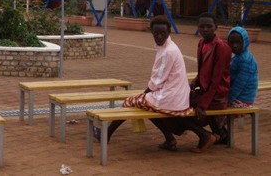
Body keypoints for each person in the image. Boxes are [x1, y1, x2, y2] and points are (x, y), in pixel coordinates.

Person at [94, 16, 214, 152]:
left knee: (130, 102)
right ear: (151, 32)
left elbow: (156, 82)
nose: (159, 36)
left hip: (171, 97)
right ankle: (172, 139)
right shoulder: (169, 46)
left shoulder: (167, 52)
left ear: (169, 32)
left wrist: (143, 95)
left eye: (162, 33)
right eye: (156, 33)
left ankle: (106, 134)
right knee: (146, 106)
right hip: (177, 95)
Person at [190, 12, 232, 145]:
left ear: (216, 27)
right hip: (206, 90)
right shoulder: (201, 43)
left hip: (217, 94)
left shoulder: (221, 47)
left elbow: (216, 80)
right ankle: (220, 133)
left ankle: (207, 135)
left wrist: (202, 105)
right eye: (202, 26)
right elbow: (203, 70)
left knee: (184, 107)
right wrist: (195, 82)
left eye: (209, 26)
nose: (205, 29)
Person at [227, 26, 258, 108]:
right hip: (237, 96)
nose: (235, 46)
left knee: (216, 107)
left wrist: (227, 99)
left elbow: (239, 85)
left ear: (245, 42)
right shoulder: (238, 56)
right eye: (232, 42)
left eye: (238, 43)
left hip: (242, 99)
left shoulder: (246, 60)